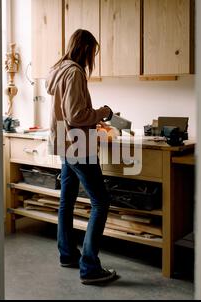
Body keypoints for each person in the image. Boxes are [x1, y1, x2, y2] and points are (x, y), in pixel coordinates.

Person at [45, 29, 117, 285]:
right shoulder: (75, 72)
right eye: (93, 52)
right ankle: (90, 267)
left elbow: (68, 114)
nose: (92, 58)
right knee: (101, 202)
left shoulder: (59, 70)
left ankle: (67, 254)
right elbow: (76, 115)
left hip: (65, 143)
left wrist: (90, 118)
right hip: (79, 146)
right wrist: (102, 112)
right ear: (85, 48)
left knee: (67, 200)